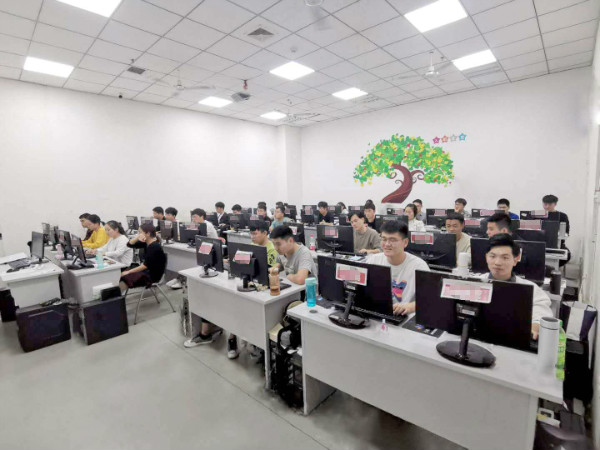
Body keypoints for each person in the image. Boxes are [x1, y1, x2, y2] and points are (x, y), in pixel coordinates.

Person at [483, 234, 552, 339]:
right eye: (492, 256)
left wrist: (535, 326)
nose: (497, 263)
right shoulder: (475, 282)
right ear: (486, 257)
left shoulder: (529, 288)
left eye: (505, 257)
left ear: (516, 260)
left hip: (514, 339)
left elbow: (542, 311)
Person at [226, 223, 279, 359]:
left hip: (264, 289)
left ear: (265, 233)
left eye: (255, 234)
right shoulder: (251, 246)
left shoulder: (271, 249)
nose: (252, 237)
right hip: (250, 284)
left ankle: (255, 343)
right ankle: (234, 338)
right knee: (234, 305)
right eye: (251, 234)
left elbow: (271, 271)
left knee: (246, 310)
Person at [365, 221, 429, 315]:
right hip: (377, 313)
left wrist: (410, 306)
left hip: (404, 316)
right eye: (384, 239)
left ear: (405, 242)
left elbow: (429, 299)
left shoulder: (419, 266)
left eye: (393, 240)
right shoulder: (373, 261)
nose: (387, 244)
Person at [120, 223, 166, 290]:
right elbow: (129, 244)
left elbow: (145, 265)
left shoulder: (155, 247)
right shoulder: (146, 243)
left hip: (152, 276)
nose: (138, 234)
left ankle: (117, 294)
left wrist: (129, 272)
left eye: (140, 232)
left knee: (124, 277)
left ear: (148, 234)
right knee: (121, 275)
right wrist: (137, 238)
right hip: (146, 271)